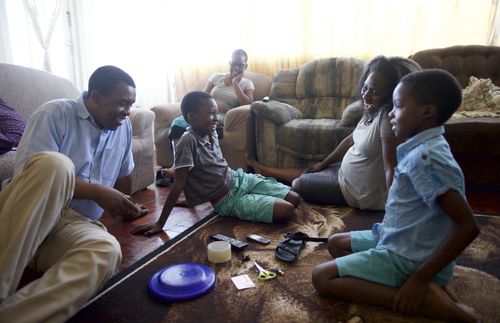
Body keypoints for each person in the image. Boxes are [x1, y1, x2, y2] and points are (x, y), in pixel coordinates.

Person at [312, 69, 480, 322]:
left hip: (408, 256)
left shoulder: (426, 159)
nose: (390, 112)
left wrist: (418, 280)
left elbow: (467, 226)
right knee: (336, 243)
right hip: (401, 238)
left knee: (322, 277)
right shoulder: (424, 146)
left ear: (427, 112)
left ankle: (421, 298)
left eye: (398, 105)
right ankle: (424, 283)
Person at [0, 66, 147, 322]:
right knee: (56, 164)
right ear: (96, 97)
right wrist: (99, 192)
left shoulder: (123, 128)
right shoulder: (54, 113)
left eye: (131, 104)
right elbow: (34, 177)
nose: (127, 111)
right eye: (122, 103)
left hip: (67, 225)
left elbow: (124, 175)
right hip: (23, 212)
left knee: (106, 250)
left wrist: (126, 205)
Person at [246, 56, 422, 209]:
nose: (366, 96)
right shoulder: (372, 111)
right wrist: (323, 163)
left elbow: (391, 167)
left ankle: (265, 174)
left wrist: (394, 209)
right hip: (345, 173)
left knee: (299, 184)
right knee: (311, 170)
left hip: (357, 192)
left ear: (391, 95)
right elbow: (350, 139)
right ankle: (265, 170)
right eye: (365, 88)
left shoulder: (386, 118)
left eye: (374, 92)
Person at [132, 91, 300, 236]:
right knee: (287, 210)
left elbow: (205, 168)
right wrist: (160, 223)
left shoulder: (210, 131)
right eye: (211, 114)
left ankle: (260, 197)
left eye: (216, 113)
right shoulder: (187, 142)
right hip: (228, 199)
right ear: (192, 117)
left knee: (295, 198)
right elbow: (179, 185)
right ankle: (254, 203)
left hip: (240, 179)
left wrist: (191, 197)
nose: (216, 119)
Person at [156, 49, 255, 185]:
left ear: (246, 67)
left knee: (202, 124)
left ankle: (182, 170)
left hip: (221, 117)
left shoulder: (247, 83)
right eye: (234, 64)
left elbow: (249, 104)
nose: (236, 68)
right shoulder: (216, 77)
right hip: (203, 112)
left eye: (240, 65)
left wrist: (235, 84)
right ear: (229, 63)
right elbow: (200, 97)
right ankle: (177, 166)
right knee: (178, 123)